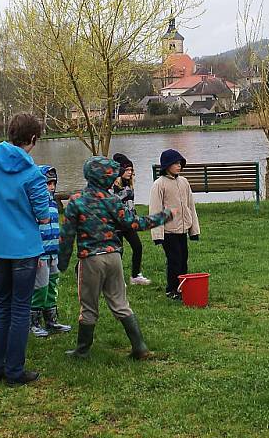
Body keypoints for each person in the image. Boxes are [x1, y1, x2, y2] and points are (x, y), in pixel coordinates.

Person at [58, 156, 173, 360]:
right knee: (120, 303)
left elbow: (67, 235)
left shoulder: (76, 201)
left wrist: (62, 262)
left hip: (90, 260)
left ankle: (82, 350)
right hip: (114, 257)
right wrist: (164, 215)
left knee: (88, 306)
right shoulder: (113, 200)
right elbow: (134, 223)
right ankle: (140, 347)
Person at [0, 113, 50, 385]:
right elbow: (44, 216)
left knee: (3, 306)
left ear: (10, 133)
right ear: (33, 139)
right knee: (20, 309)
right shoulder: (32, 174)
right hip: (25, 248)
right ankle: (14, 372)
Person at [149, 149, 200, 300]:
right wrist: (158, 235)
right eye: (175, 163)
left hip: (182, 230)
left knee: (183, 259)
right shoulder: (159, 185)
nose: (179, 166)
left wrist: (193, 230)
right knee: (174, 261)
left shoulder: (184, 182)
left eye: (180, 163)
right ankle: (171, 289)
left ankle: (182, 286)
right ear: (167, 165)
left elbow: (191, 206)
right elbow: (155, 210)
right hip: (169, 231)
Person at [30, 165, 71, 337]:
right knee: (40, 287)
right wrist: (36, 252)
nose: (52, 187)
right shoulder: (34, 205)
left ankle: (51, 320)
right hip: (41, 254)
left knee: (52, 286)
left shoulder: (54, 204)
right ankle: (33, 322)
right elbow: (32, 230)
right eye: (48, 184)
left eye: (53, 183)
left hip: (54, 252)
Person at [112, 153, 151, 286]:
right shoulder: (113, 187)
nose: (130, 172)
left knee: (138, 247)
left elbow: (130, 205)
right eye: (127, 170)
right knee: (118, 252)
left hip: (128, 224)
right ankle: (115, 280)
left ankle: (135, 275)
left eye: (131, 170)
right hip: (115, 225)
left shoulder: (129, 185)